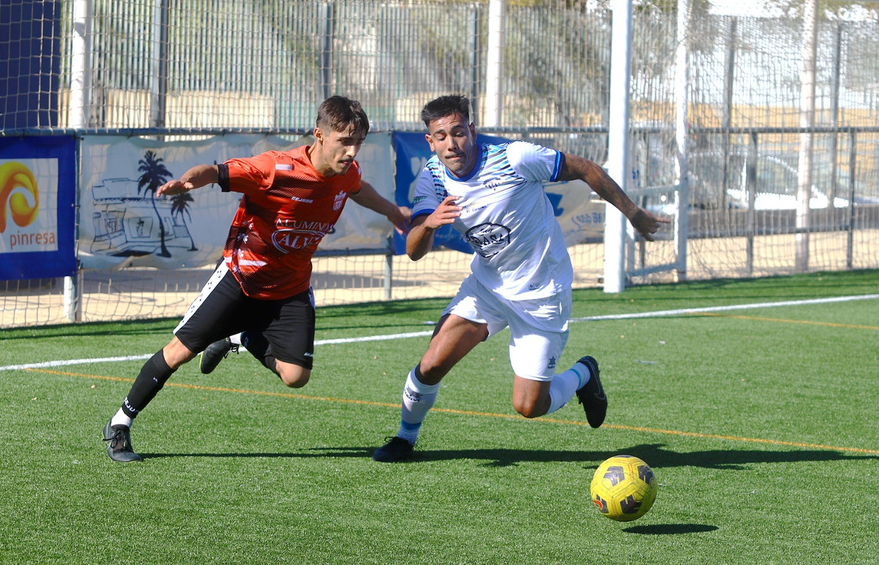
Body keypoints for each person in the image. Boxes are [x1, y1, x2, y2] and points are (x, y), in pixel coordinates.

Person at [103, 95, 409, 462]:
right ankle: (120, 424)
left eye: (358, 141)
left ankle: (243, 337)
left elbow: (359, 190)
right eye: (345, 141)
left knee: (296, 376)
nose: (352, 150)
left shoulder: (347, 174)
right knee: (179, 352)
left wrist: (394, 212)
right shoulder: (276, 169)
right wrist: (187, 182)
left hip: (290, 288)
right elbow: (215, 172)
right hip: (240, 278)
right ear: (320, 135)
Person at [372, 94, 669, 462]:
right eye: (442, 136)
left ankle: (582, 375)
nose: (452, 143)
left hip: (542, 292)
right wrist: (429, 223)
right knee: (432, 363)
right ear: (430, 142)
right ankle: (404, 437)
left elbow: (585, 168)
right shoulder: (432, 179)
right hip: (487, 288)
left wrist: (633, 212)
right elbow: (415, 250)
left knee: (529, 406)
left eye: (459, 132)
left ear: (473, 131)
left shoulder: (514, 158)